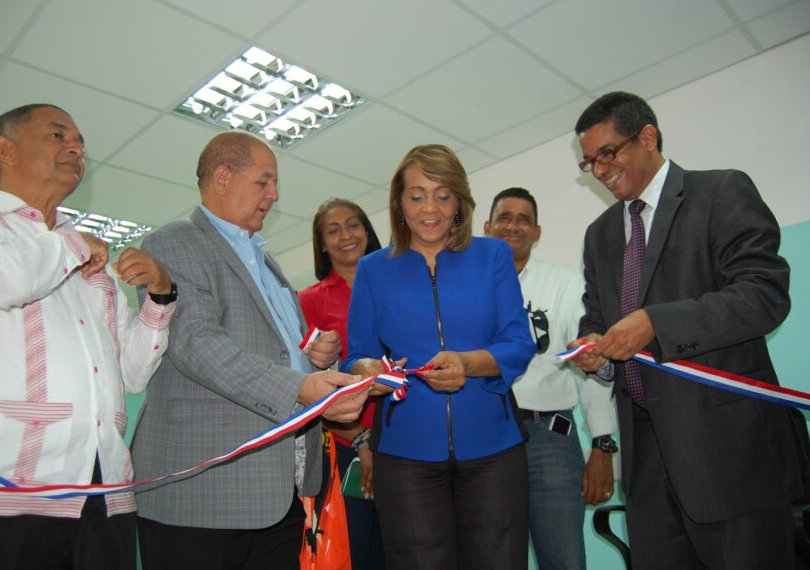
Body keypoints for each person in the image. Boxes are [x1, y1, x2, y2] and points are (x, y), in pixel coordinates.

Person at [568, 91, 803, 569]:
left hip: (729, 453)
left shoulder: (720, 192)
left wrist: (657, 323)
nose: (599, 170)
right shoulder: (600, 234)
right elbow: (597, 317)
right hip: (645, 460)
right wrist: (594, 349)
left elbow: (765, 295)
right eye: (590, 162)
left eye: (606, 154)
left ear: (648, 137)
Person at [0, 103, 176, 569]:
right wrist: (72, 245)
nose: (76, 147)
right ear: (4, 149)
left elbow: (131, 374)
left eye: (80, 141)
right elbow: (1, 278)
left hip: (104, 494)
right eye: (56, 135)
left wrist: (160, 296)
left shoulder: (92, 263)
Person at [131, 131, 368, 570]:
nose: (275, 195)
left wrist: (316, 359)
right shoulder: (173, 244)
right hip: (201, 496)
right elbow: (197, 345)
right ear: (223, 178)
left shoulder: (265, 260)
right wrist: (301, 385)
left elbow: (284, 353)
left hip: (279, 493)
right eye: (264, 182)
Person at [342, 144, 536, 570]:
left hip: (494, 449)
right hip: (405, 455)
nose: (430, 208)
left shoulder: (494, 256)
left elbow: (518, 342)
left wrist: (468, 364)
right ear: (399, 204)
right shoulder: (373, 269)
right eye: (416, 195)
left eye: (443, 195)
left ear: (460, 204)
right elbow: (356, 354)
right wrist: (364, 370)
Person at [484, 187, 618, 570]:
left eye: (523, 220)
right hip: (485, 439)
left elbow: (589, 364)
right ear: (488, 227)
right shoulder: (466, 289)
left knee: (564, 560)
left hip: (550, 439)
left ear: (537, 232)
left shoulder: (567, 285)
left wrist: (603, 446)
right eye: (505, 218)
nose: (513, 226)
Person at [299, 198, 385, 569]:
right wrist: (361, 440)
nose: (346, 235)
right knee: (361, 556)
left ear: (367, 231)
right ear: (321, 244)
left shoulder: (396, 286)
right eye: (332, 231)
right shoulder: (307, 301)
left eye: (353, 225)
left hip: (408, 443)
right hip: (348, 450)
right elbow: (309, 386)